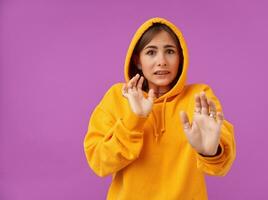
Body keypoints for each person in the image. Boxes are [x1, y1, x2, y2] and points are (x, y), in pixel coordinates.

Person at [83, 17, 236, 200]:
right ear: (138, 60)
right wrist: (135, 119)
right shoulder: (118, 96)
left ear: (181, 58)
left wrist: (210, 152)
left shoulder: (200, 96)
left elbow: (220, 165)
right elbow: (99, 163)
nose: (162, 61)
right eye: (151, 52)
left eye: (170, 51)